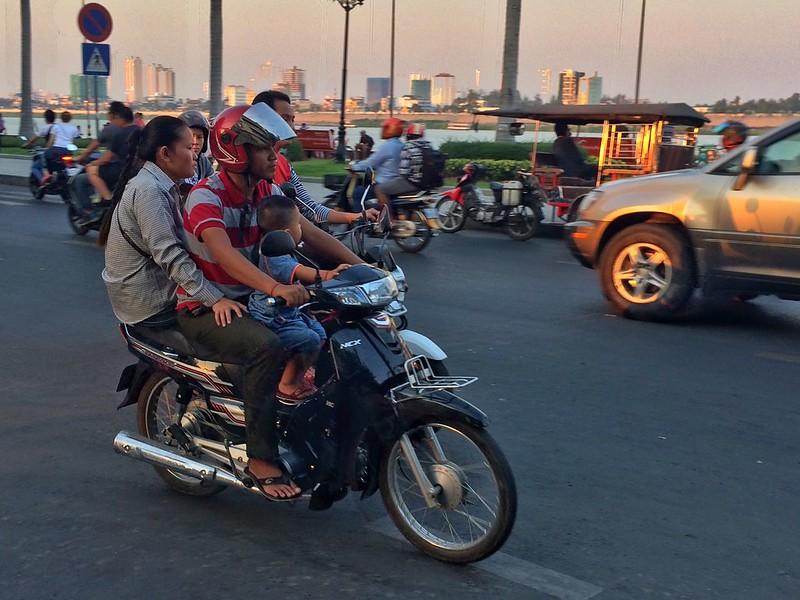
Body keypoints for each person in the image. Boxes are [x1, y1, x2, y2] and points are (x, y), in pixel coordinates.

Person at [178, 103, 318, 501]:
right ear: (236, 151)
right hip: (206, 305)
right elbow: (224, 255)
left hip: (252, 300)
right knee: (266, 348)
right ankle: (261, 458)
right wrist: (274, 288)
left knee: (327, 323)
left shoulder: (266, 191)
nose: (276, 157)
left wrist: (357, 267)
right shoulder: (206, 195)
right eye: (266, 149)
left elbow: (305, 231)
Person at [100, 116, 242, 332]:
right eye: (188, 147)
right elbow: (169, 255)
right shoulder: (150, 191)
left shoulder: (164, 184)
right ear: (165, 154)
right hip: (149, 303)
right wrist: (215, 299)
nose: (195, 154)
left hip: (150, 290)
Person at [249, 195, 348, 402]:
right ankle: (287, 385)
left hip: (288, 312)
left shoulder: (282, 247)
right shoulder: (272, 252)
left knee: (319, 332)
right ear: (287, 233)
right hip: (272, 315)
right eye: (299, 225)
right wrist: (326, 275)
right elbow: (294, 270)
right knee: (310, 339)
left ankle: (298, 368)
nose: (301, 230)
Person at [251, 90, 376, 227]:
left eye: (292, 120)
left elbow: (309, 208)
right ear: (262, 120)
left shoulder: (284, 165)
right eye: (285, 119)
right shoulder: (245, 164)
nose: (292, 127)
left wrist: (356, 216)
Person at [86, 102, 138, 203]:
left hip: (123, 170)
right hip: (138, 169)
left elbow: (105, 159)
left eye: (113, 119)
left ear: (119, 118)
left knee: (92, 170)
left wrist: (92, 163)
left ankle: (108, 198)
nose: (112, 122)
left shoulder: (119, 134)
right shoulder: (141, 131)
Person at [349, 117, 405, 209]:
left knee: (358, 193)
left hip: (385, 183)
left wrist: (354, 167)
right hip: (397, 183)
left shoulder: (388, 146)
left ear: (390, 129)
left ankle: (360, 221)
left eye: (384, 128)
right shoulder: (401, 145)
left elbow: (371, 162)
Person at [374, 122, 432, 209]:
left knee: (380, 189)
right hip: (428, 184)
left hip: (413, 183)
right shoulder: (428, 146)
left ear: (408, 135)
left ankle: (389, 219)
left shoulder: (408, 147)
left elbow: (403, 172)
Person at [177, 109, 214, 199]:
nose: (195, 142)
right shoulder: (175, 161)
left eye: (199, 137)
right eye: (191, 136)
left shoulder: (203, 162)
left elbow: (214, 185)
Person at [43, 111, 79, 179]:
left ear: (61, 118)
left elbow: (51, 141)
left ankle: (48, 174)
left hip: (56, 150)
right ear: (70, 118)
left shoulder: (56, 127)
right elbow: (73, 141)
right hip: (68, 151)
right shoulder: (74, 129)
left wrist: (47, 148)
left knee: (45, 157)